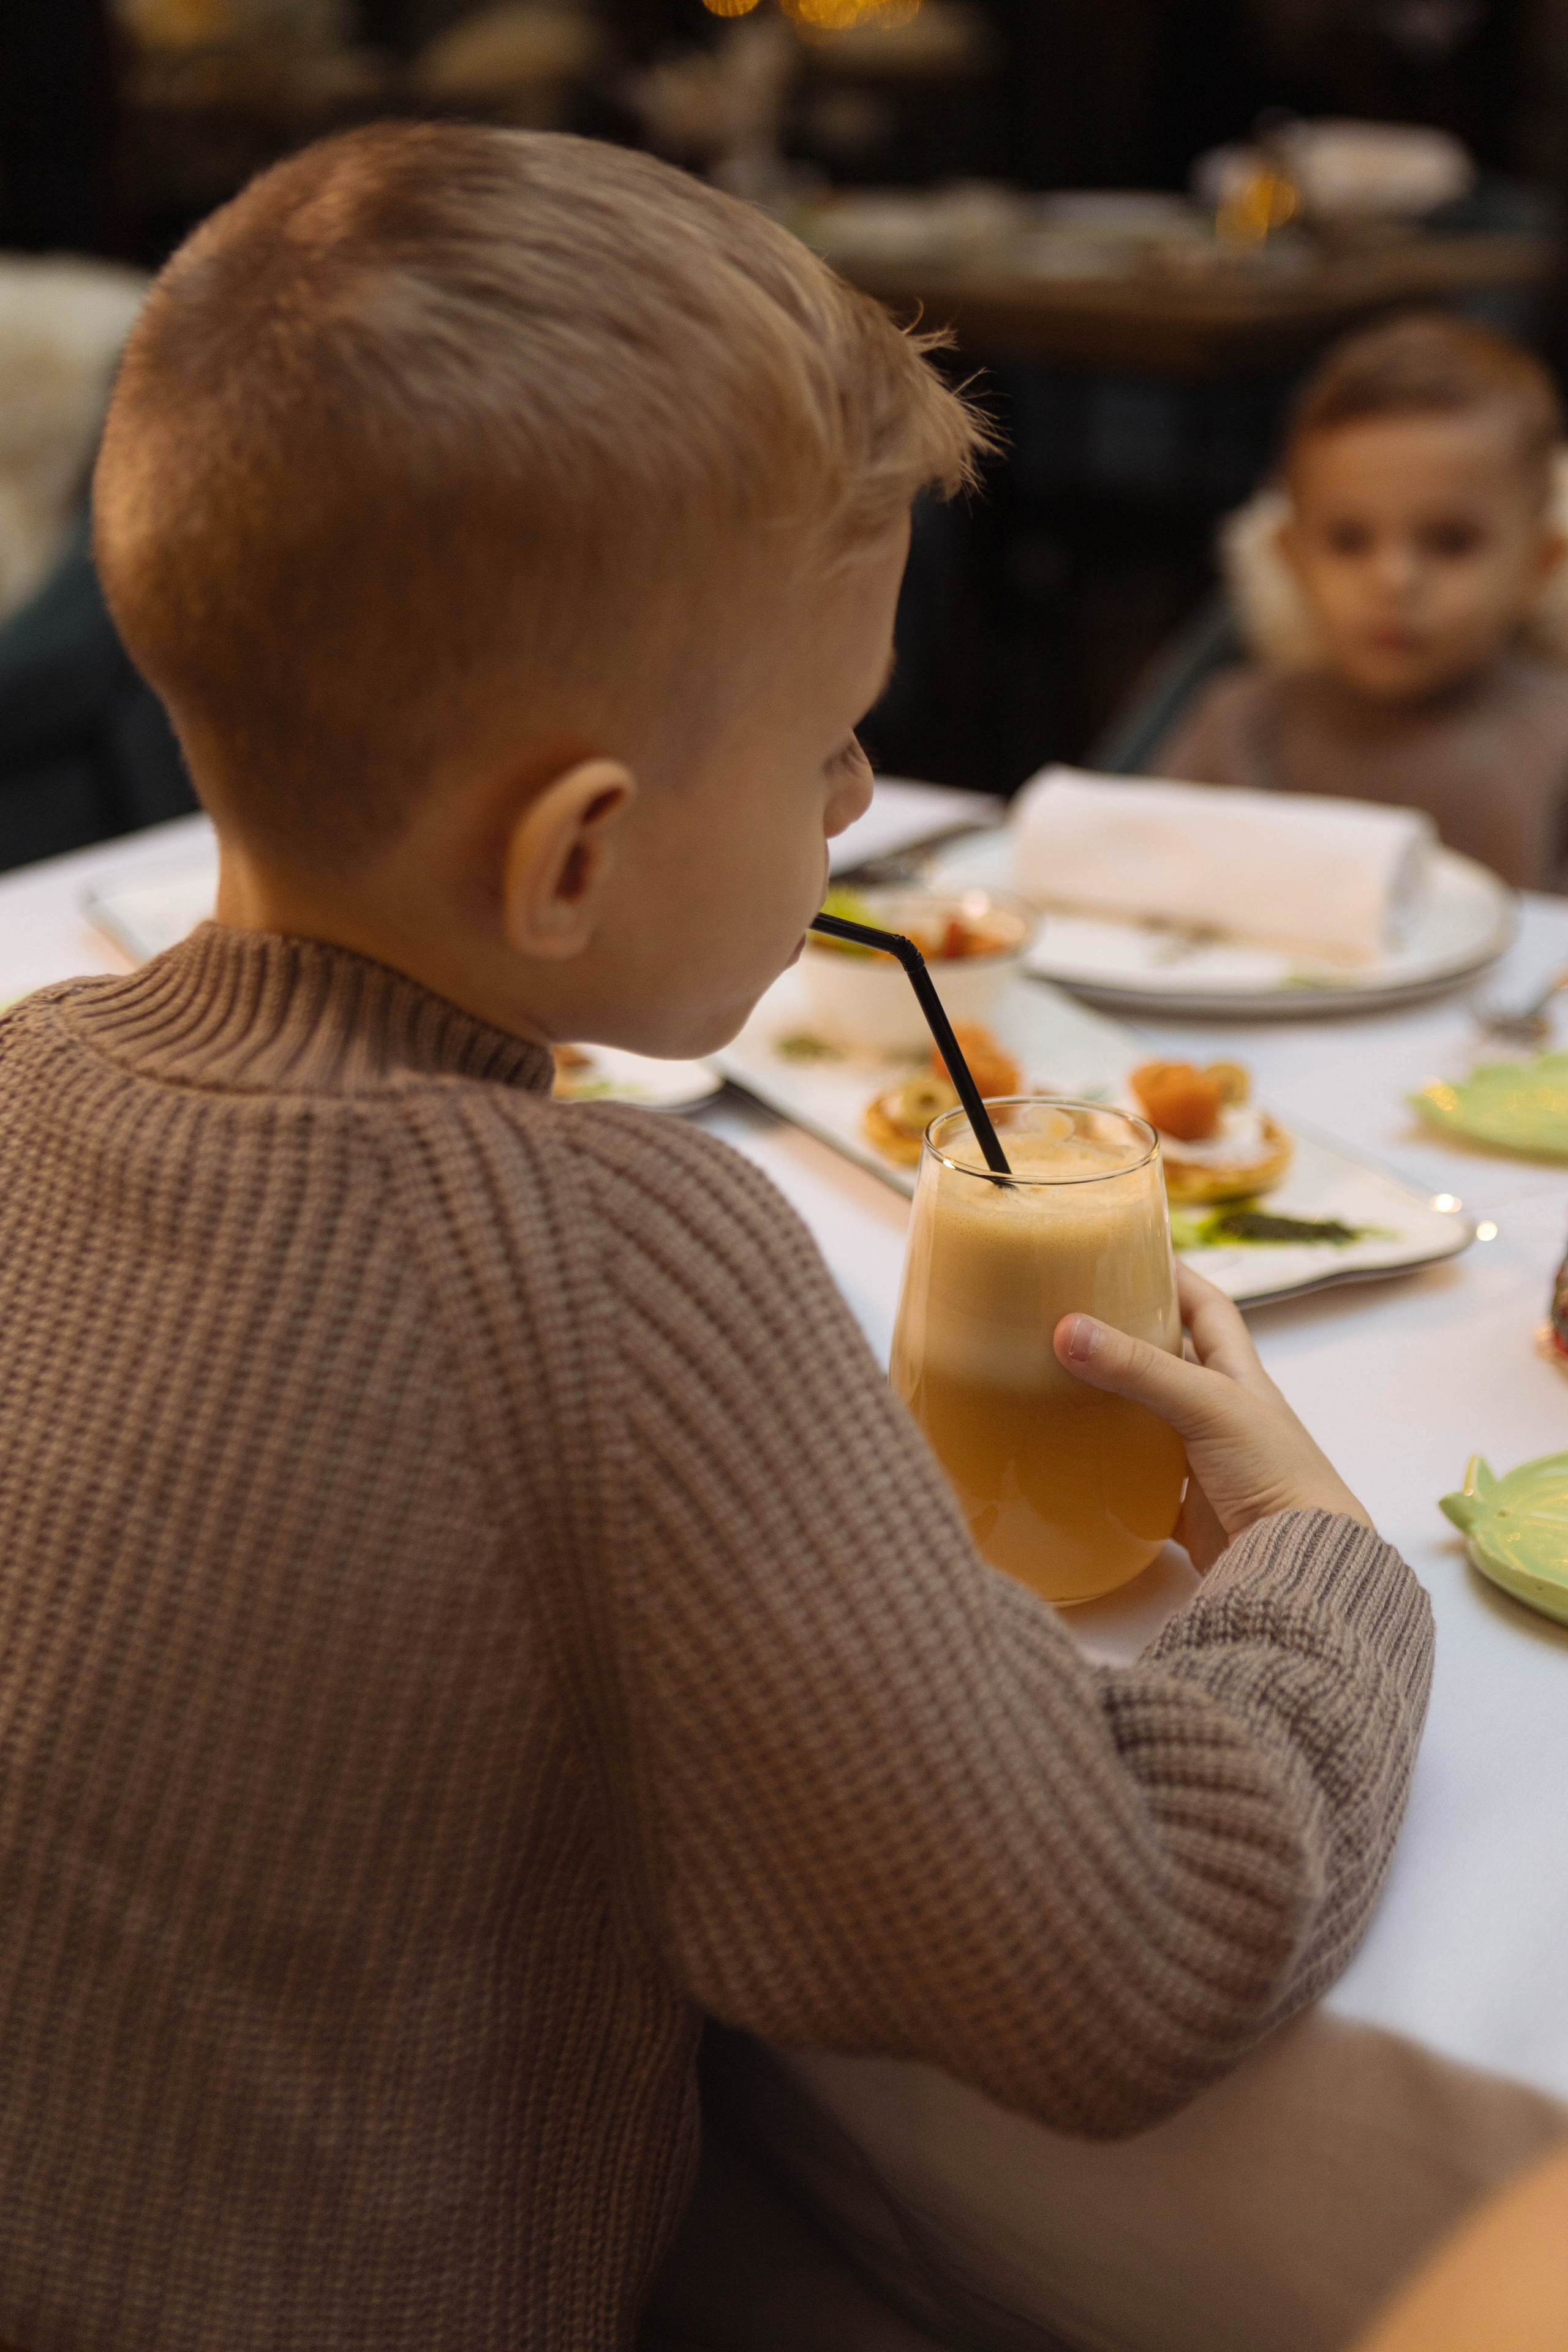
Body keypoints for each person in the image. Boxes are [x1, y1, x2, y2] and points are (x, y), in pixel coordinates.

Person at [0, 123, 1432, 2351]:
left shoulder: (25, 1078)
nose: (857, 812)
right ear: (571, 857)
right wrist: (1317, 1572)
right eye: (835, 751)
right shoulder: (618, 1256)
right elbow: (1124, 1957)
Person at [1151, 311, 1568, 890]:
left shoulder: (1556, 743)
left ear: (1539, 564)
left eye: (1450, 542)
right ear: (1292, 559)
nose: (1394, 581)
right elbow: (1145, 883)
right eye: (1348, 542)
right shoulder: (1241, 727)